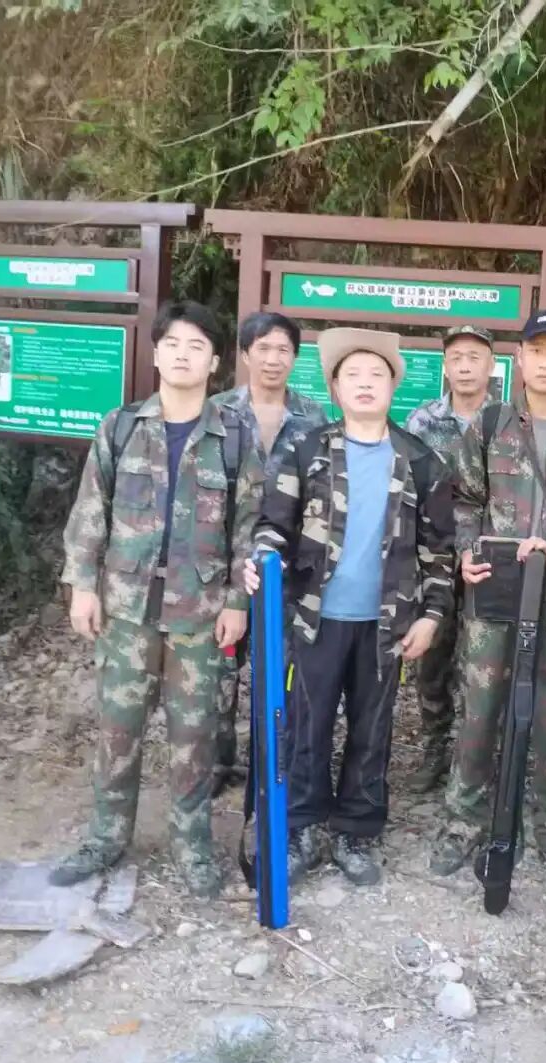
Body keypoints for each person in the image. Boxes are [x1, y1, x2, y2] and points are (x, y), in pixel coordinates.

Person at [53, 300, 264, 898]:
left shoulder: (235, 438)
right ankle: (105, 837)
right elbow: (90, 512)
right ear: (155, 353)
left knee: (194, 738)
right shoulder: (121, 427)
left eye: (197, 346)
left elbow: (249, 528)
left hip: (199, 616)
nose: (182, 355)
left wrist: (237, 602)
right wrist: (82, 586)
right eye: (172, 343)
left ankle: (191, 845)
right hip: (126, 611)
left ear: (215, 362)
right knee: (117, 730)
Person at [247, 326, 455, 888]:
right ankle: (300, 826)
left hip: (386, 625)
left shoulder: (420, 460)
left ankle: (356, 831)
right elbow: (273, 524)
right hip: (313, 619)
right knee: (305, 725)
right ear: (335, 388)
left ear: (393, 387)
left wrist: (431, 616)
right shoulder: (306, 450)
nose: (365, 384)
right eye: (353, 375)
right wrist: (262, 558)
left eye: (377, 375)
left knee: (372, 729)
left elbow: (439, 550)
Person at [430, 309, 546, 887]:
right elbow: (464, 498)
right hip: (495, 591)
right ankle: (463, 821)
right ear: (520, 357)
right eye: (536, 350)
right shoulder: (491, 422)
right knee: (479, 709)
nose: (545, 362)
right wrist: (467, 550)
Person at [210, 312, 328, 792]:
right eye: (263, 348)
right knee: (219, 669)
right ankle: (216, 763)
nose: (273, 359)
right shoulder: (216, 412)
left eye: (283, 349)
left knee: (279, 668)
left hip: (286, 567)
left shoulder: (313, 418)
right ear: (245, 354)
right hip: (223, 560)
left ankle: (271, 762)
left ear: (295, 357)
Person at [403, 324, 498, 793]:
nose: (464, 366)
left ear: (491, 365)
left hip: (488, 558)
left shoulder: (506, 420)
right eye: (456, 358)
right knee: (433, 659)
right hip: (434, 555)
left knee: (483, 663)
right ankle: (434, 749)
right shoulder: (423, 421)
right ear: (445, 365)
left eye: (474, 357)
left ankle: (474, 758)